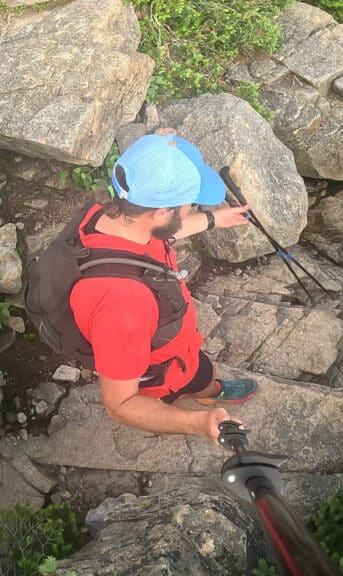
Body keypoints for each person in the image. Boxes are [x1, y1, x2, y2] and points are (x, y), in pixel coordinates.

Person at [68, 130, 257, 444]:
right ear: (161, 211)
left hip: (165, 341)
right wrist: (199, 424)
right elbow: (121, 404)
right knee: (199, 376)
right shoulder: (123, 304)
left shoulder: (106, 215)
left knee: (200, 369)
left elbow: (160, 232)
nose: (191, 209)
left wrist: (213, 220)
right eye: (188, 204)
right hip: (165, 369)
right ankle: (210, 393)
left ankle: (208, 387)